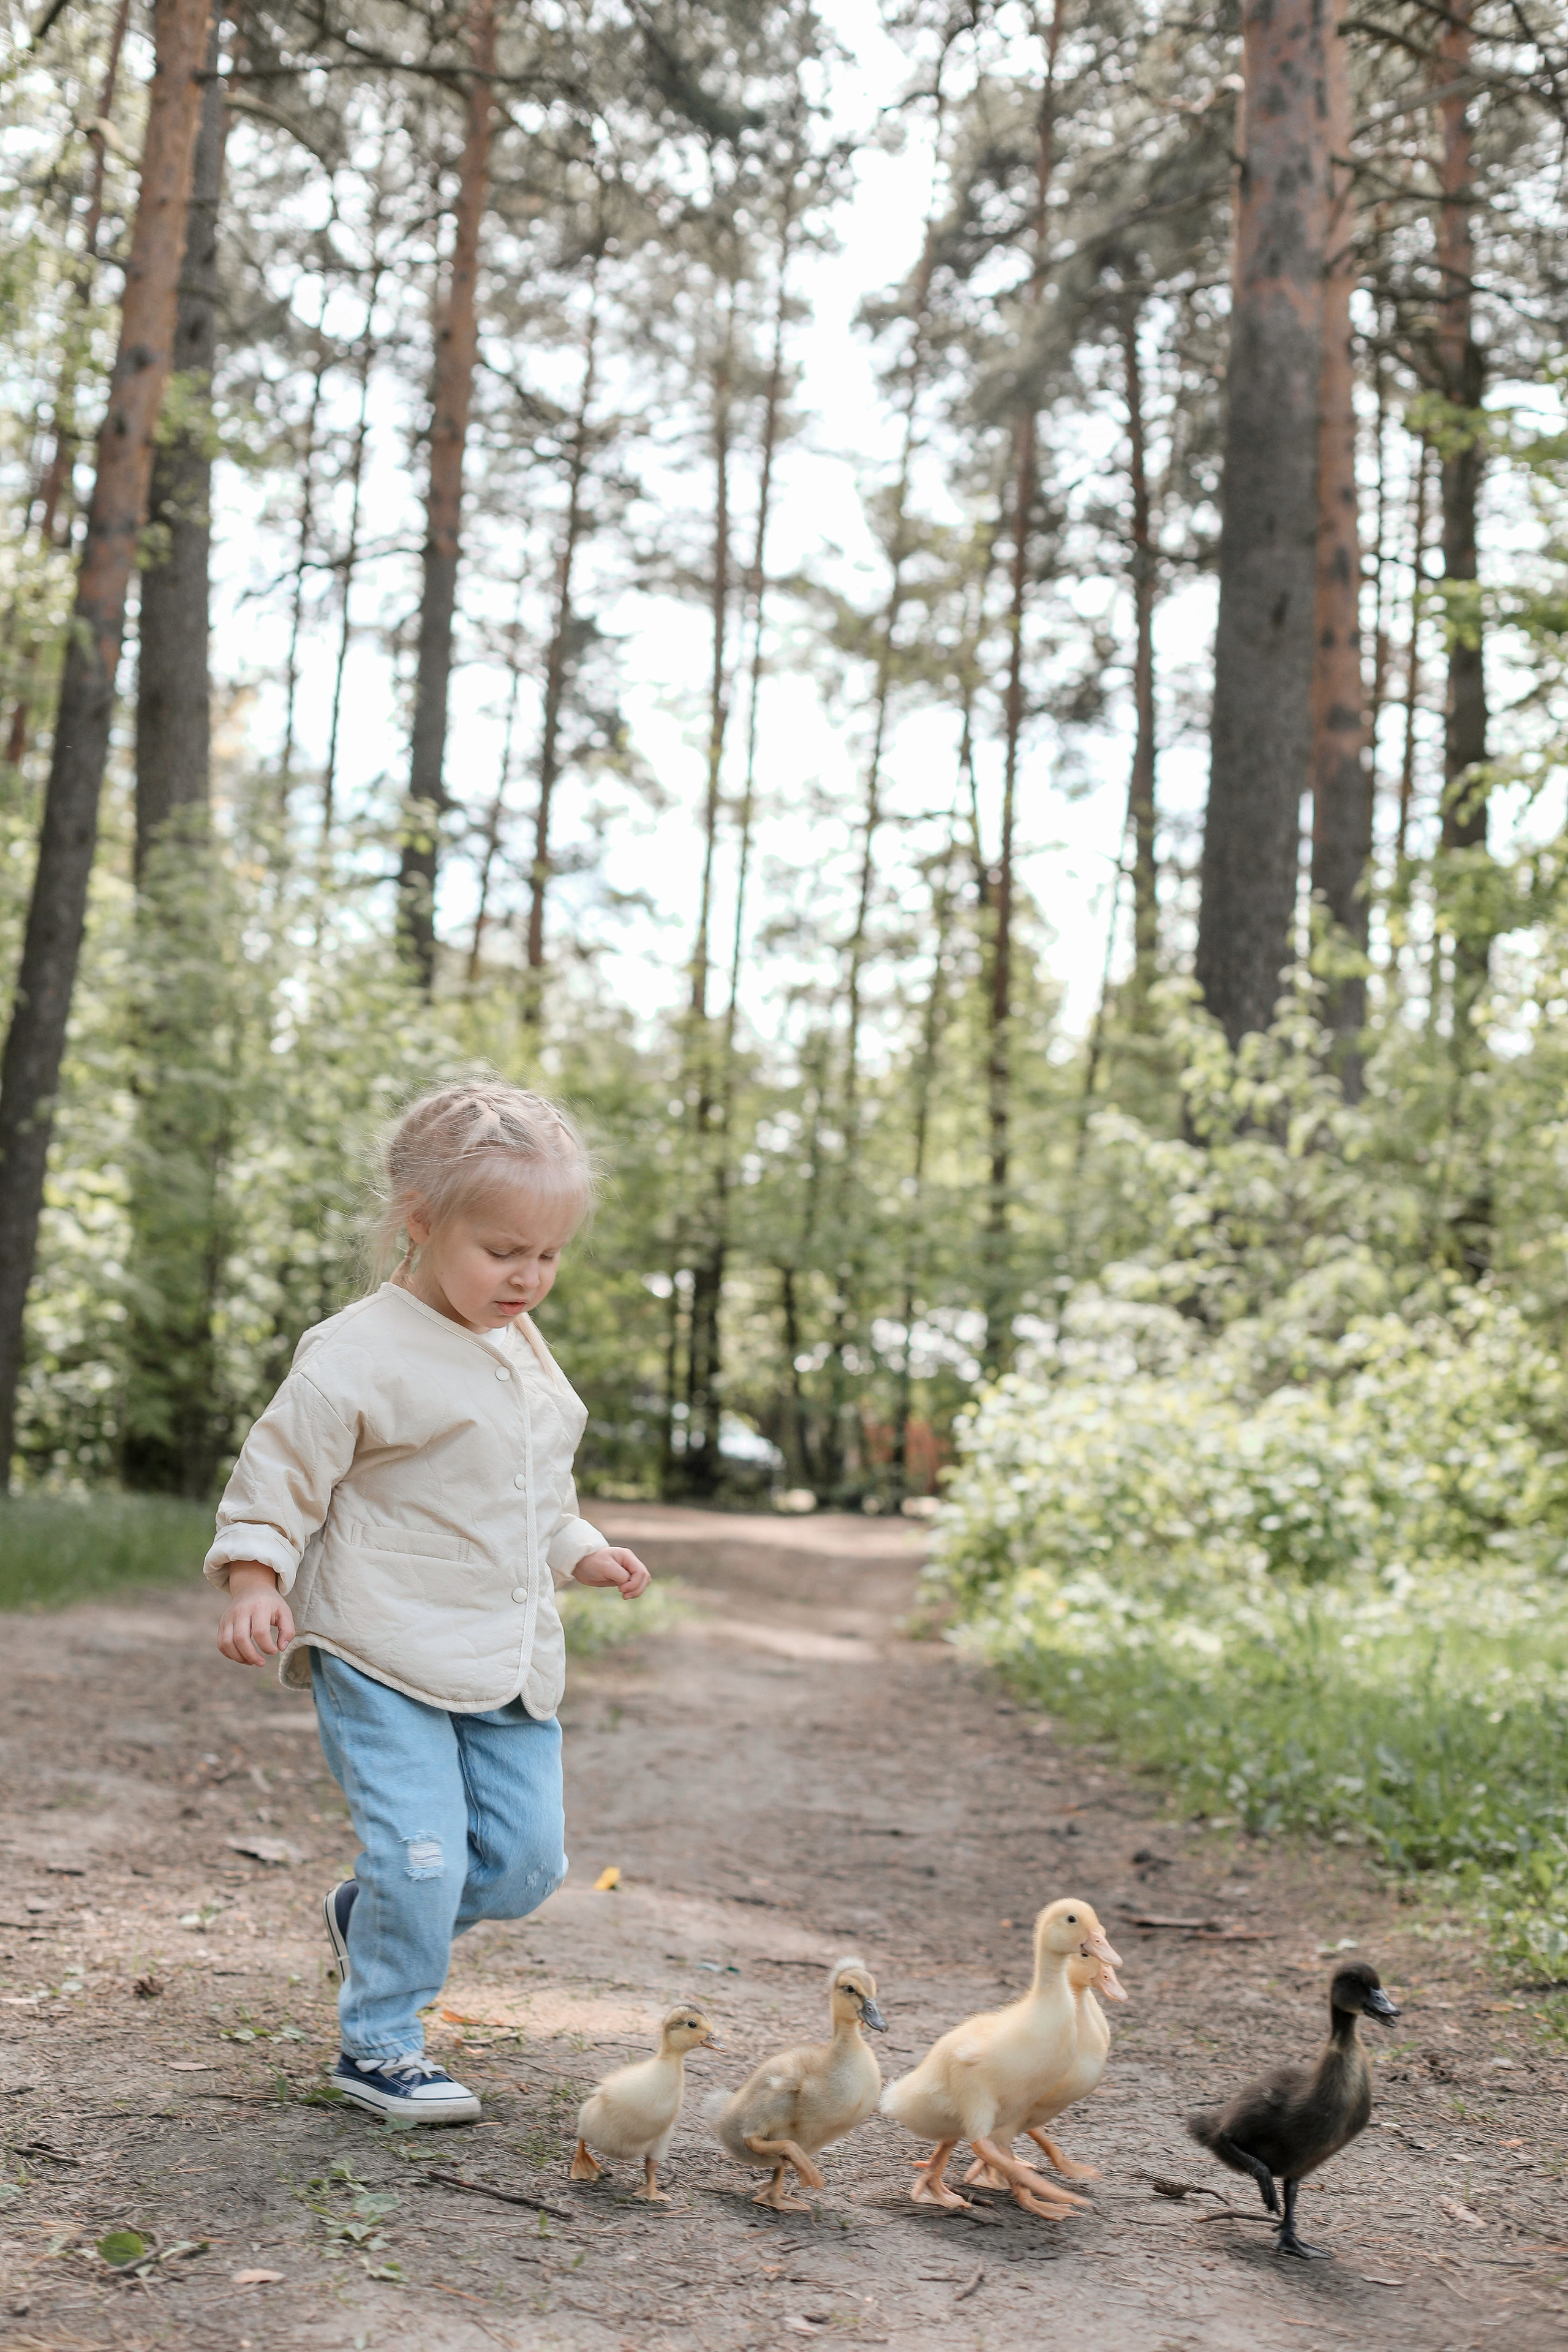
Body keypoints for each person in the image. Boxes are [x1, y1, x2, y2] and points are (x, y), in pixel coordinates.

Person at [204, 1079, 650, 2124]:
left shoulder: (521, 1349)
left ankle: (375, 1919)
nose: (530, 1277)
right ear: (420, 1221)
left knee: (527, 1865)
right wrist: (257, 1576)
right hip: (380, 1646)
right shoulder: (357, 1352)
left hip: (504, 1655)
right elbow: (279, 1475)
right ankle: (381, 2043)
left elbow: (535, 1496)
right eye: (504, 1251)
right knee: (423, 1856)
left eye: (549, 1255)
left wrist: (581, 1550)